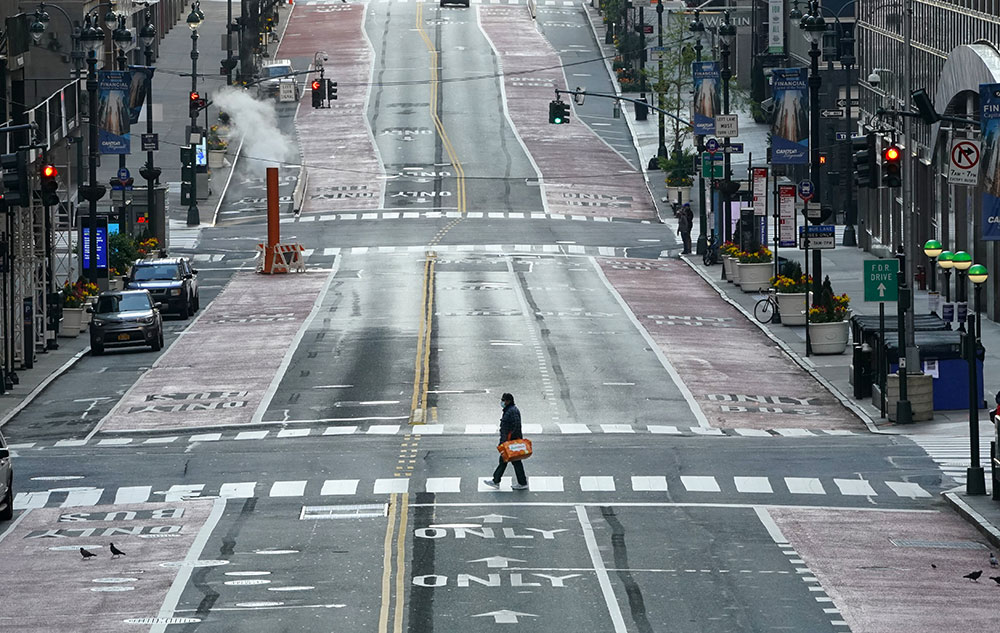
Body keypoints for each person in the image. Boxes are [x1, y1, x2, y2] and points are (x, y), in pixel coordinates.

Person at [484, 393, 528, 490]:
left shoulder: (511, 411)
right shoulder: (511, 410)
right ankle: (521, 482)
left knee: (506, 461)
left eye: (504, 400)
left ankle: (496, 481)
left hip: (510, 442)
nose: (502, 402)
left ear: (508, 401)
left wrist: (507, 441)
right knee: (512, 462)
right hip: (511, 441)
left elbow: (514, 427)